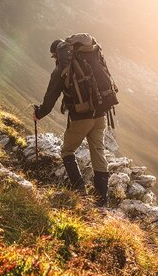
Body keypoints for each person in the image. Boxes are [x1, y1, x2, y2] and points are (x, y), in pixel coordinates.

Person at [33, 37, 109, 206]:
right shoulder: (87, 59)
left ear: (57, 53)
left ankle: (80, 189)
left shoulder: (63, 68)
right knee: (98, 152)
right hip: (101, 114)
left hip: (81, 118)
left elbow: (51, 95)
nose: (55, 59)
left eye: (54, 56)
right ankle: (102, 199)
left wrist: (40, 113)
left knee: (67, 151)